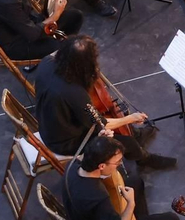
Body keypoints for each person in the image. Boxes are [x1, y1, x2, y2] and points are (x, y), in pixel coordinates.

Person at [33, 35, 173, 168]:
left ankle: (136, 135)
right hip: (64, 141)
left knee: (118, 128)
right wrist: (130, 118)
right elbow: (101, 123)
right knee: (127, 143)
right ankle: (143, 158)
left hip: (48, 122)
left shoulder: (46, 62)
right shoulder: (75, 93)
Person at [60, 134, 181, 220]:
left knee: (135, 181)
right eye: (117, 163)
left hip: (78, 216)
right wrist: (130, 203)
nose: (118, 165)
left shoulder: (73, 164)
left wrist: (103, 141)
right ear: (101, 165)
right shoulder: (96, 197)